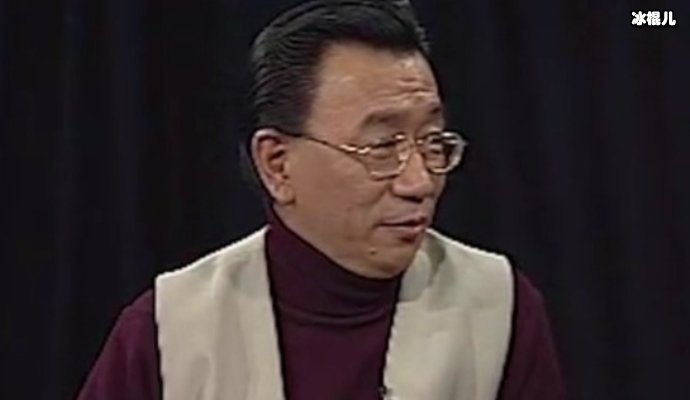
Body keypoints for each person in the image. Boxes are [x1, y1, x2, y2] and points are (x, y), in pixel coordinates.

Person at [78, 1, 565, 399]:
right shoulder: (170, 331)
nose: (419, 182)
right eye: (382, 146)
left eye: (432, 142)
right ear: (277, 164)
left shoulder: (497, 307)